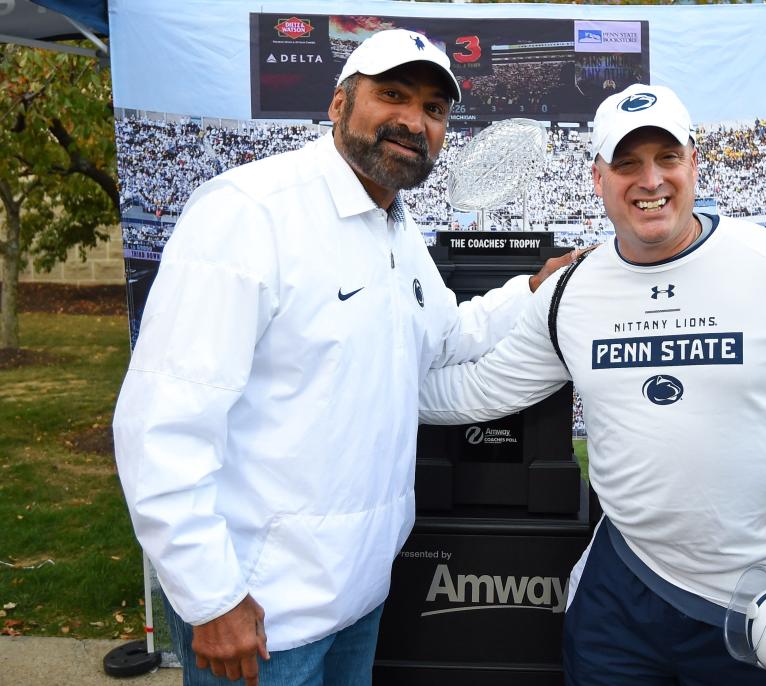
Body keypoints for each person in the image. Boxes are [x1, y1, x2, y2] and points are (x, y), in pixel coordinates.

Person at [418, 84, 766, 685]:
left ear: (694, 162)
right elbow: (480, 390)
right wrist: (374, 391)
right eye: (627, 163)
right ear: (598, 178)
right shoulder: (572, 292)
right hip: (625, 595)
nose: (650, 180)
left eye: (667, 158)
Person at [113, 29, 572, 686]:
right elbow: (161, 425)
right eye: (393, 95)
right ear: (338, 105)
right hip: (260, 617)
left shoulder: (396, 224)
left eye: (434, 110)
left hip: (358, 599)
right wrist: (212, 598)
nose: (414, 121)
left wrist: (532, 288)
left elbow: (446, 337)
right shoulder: (248, 213)